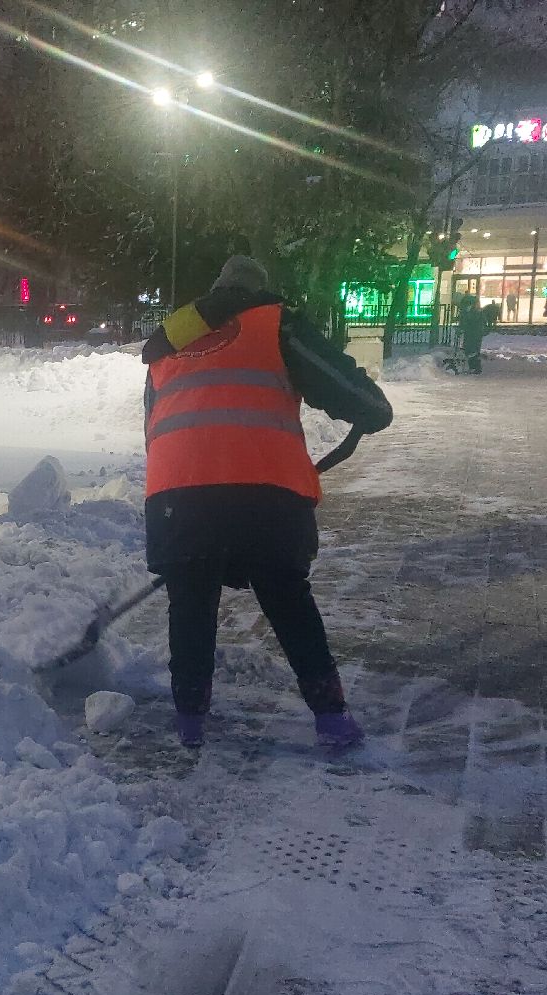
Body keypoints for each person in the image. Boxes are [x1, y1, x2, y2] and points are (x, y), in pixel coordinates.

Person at [142, 255, 393, 750]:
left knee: (190, 605)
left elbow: (155, 424)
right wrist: (372, 408)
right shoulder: (277, 324)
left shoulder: (169, 342)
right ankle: (332, 719)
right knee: (287, 601)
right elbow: (341, 386)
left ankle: (190, 721)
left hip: (177, 494)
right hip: (263, 498)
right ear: (258, 291)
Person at [456, 290, 486, 374]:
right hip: (473, 334)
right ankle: (474, 367)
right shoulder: (473, 312)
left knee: (472, 350)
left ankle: (475, 367)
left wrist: (462, 328)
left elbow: (469, 322)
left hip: (473, 334)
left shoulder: (473, 313)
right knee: (471, 350)